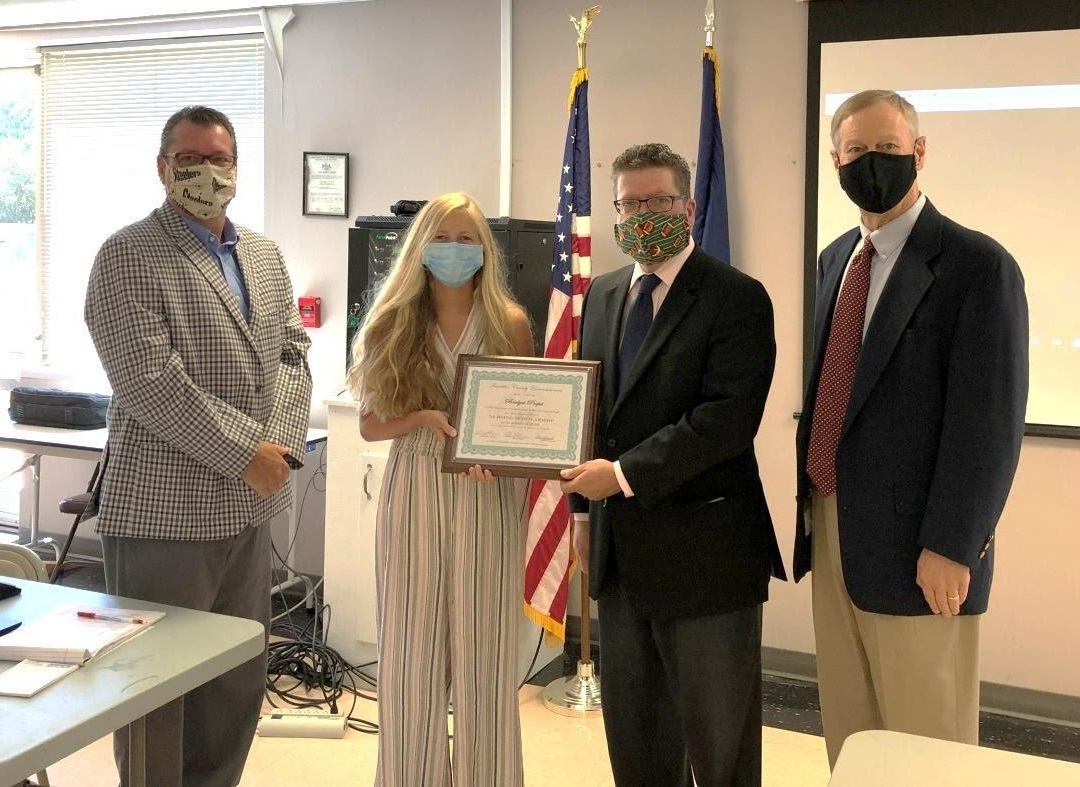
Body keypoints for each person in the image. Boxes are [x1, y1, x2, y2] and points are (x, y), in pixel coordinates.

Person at [794, 89, 1029, 767]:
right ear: (835, 158)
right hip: (834, 527)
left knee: (929, 750)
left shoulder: (977, 267)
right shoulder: (835, 258)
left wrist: (954, 545)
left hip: (925, 553)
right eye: (858, 151)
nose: (872, 163)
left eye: (888, 150)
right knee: (856, 738)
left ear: (919, 152)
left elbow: (987, 425)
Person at [84, 105, 313, 786]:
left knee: (234, 687)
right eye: (189, 160)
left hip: (248, 514)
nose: (206, 173)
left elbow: (293, 354)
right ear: (162, 168)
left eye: (219, 160)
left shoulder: (264, 256)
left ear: (237, 168)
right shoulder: (127, 254)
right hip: (164, 517)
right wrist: (250, 451)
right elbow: (150, 381)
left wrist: (284, 448)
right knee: (157, 695)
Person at [560, 142, 786, 786]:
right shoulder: (603, 294)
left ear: (688, 207)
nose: (642, 215)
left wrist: (623, 476)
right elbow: (591, 410)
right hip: (622, 557)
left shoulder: (737, 297)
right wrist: (582, 507)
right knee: (637, 741)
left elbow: (725, 420)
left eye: (657, 200)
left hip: (707, 558)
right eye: (629, 204)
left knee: (720, 749)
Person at [345, 192, 534, 786]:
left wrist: (499, 457)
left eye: (467, 239)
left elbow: (527, 420)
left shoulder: (510, 321)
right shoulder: (392, 321)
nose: (455, 250)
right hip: (417, 488)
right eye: (443, 238)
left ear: (486, 249)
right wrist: (425, 419)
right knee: (411, 660)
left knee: (486, 658)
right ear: (420, 245)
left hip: (487, 492)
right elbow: (370, 424)